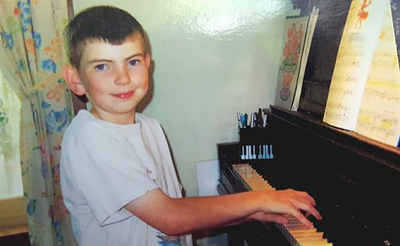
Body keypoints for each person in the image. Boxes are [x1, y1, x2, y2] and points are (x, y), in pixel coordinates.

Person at [60, 5, 322, 246]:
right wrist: (262, 198)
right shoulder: (89, 138)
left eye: (133, 62)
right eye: (102, 66)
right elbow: (170, 218)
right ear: (76, 80)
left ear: (148, 65)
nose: (123, 78)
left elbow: (183, 215)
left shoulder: (149, 127)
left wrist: (253, 213)